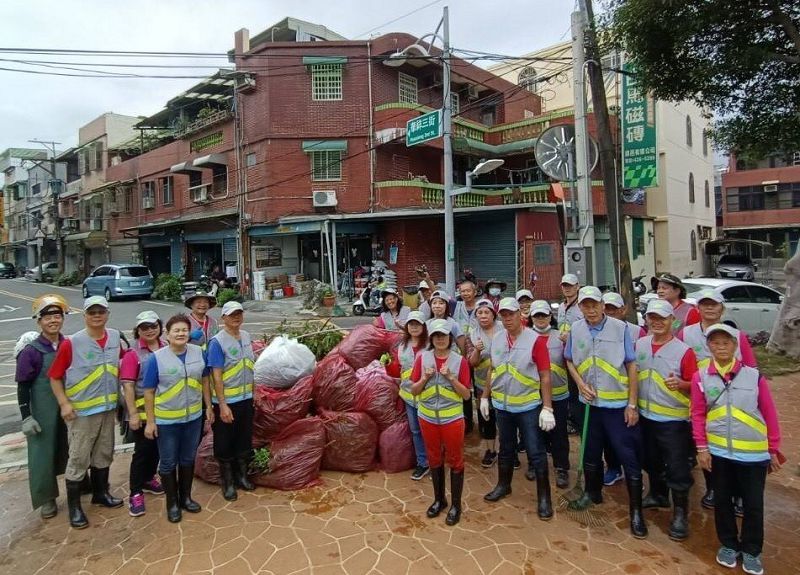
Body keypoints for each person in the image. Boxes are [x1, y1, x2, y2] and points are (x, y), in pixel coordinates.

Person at [691, 324, 782, 575]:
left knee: (753, 504)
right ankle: (729, 544)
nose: (721, 347)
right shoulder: (701, 376)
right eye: (715, 342)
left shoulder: (754, 376)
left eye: (726, 342)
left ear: (736, 345)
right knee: (722, 500)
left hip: (753, 454)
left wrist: (772, 448)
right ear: (708, 345)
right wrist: (701, 447)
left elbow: (769, 412)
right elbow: (698, 414)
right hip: (719, 452)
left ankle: (752, 550)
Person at [564, 286, 646, 538]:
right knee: (589, 451)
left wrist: (632, 404)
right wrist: (579, 383)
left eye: (594, 304)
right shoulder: (576, 329)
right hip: (589, 404)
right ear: (580, 307)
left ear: (602, 305)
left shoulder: (620, 329)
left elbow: (631, 366)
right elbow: (569, 359)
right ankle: (592, 492)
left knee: (627, 456)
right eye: (585, 305)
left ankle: (636, 512)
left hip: (616, 406)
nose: (590, 309)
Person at [677, 288, 757, 511]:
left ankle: (739, 493)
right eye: (704, 304)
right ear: (697, 308)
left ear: (722, 308)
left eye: (714, 304)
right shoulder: (686, 334)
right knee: (707, 445)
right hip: (702, 399)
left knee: (736, 447)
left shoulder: (737, 336)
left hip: (734, 400)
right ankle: (714, 487)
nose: (709, 308)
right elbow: (680, 362)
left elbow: (751, 367)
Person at [49, 295, 125, 529]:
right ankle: (74, 508)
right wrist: (64, 403)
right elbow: (54, 376)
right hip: (81, 412)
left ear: (107, 314)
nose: (97, 316)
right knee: (79, 457)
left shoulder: (114, 337)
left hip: (107, 407)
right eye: (92, 312)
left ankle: (101, 493)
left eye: (100, 311)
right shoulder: (71, 343)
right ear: (84, 316)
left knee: (104, 452)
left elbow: (123, 365)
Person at [482, 297, 555, 521]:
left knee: (535, 451)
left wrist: (547, 407)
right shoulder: (497, 340)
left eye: (511, 314)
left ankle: (544, 498)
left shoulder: (535, 340)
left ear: (520, 315)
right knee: (506, 449)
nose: (507, 318)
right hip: (503, 406)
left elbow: (545, 375)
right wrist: (485, 396)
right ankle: (504, 485)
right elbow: (493, 370)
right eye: (503, 315)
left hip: (527, 406)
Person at [636, 300, 698, 541]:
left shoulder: (684, 351)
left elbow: (697, 386)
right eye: (652, 317)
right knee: (650, 459)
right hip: (645, 415)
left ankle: (681, 512)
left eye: (662, 318)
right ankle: (658, 494)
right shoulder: (640, 344)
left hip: (673, 420)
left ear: (672, 320)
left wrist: (682, 384)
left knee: (677, 465)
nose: (656, 322)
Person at [143, 314, 212, 523]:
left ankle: (186, 498)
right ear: (167, 334)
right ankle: (172, 504)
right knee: (168, 462)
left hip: (193, 417)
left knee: (188, 459)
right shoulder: (156, 358)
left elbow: (205, 380)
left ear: (189, 332)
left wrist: (208, 406)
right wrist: (151, 421)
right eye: (176, 330)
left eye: (184, 330)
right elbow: (148, 391)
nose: (181, 334)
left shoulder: (198, 353)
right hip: (167, 421)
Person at [410, 319, 472, 526]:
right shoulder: (422, 358)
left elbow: (466, 395)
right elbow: (414, 390)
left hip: (452, 418)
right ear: (431, 338)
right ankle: (439, 500)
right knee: (434, 458)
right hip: (427, 417)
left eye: (443, 336)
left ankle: (456, 505)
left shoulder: (459, 361)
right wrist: (425, 378)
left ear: (450, 338)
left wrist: (452, 378)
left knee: (455, 459)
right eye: (436, 336)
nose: (440, 339)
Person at [15, 295, 70, 519]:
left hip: (68, 405)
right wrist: (26, 416)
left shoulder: (68, 344)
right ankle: (47, 498)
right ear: (39, 321)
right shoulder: (31, 351)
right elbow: (23, 386)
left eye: (57, 316)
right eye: (48, 317)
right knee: (42, 454)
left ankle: (82, 483)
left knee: (72, 447)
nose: (53, 321)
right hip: (42, 409)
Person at [207, 301, 256, 502]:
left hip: (246, 399)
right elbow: (216, 376)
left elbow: (249, 367)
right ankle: (227, 483)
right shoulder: (217, 342)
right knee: (225, 443)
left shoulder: (246, 336)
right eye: (232, 314)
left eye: (239, 314)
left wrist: (254, 392)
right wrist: (223, 404)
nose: (236, 317)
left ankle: (242, 477)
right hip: (226, 402)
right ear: (223, 318)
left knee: (243, 439)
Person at [119, 310, 166, 517]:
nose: (149, 330)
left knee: (157, 449)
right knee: (142, 452)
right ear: (138, 330)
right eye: (144, 327)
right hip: (142, 412)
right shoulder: (133, 354)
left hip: (164, 410)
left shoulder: (166, 347)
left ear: (159, 327)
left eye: (153, 326)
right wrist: (134, 415)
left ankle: (148, 479)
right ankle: (135, 492)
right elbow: (128, 386)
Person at [600, 291, 645, 486]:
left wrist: (633, 402)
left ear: (623, 310)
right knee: (609, 439)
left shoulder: (637, 332)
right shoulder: (598, 331)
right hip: (608, 394)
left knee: (629, 439)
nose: (610, 313)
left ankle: (634, 475)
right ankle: (613, 468)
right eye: (606, 309)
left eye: (613, 309)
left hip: (630, 393)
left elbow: (638, 363)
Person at [529, 300, 571, 489]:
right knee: (535, 432)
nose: (540, 319)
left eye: (544, 315)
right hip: (533, 394)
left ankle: (561, 467)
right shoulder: (527, 338)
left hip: (558, 394)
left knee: (559, 433)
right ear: (531, 318)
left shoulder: (560, 337)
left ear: (550, 317)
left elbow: (573, 361)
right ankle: (535, 464)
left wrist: (569, 343)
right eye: (537, 316)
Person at [386, 311, 430, 480]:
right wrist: (389, 366)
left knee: (431, 430)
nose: (414, 327)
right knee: (416, 431)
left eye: (417, 324)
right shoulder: (402, 346)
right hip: (409, 395)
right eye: (411, 324)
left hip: (428, 395)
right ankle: (423, 462)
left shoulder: (430, 345)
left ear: (423, 326)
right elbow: (399, 370)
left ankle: (436, 462)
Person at [467, 299, 503, 468]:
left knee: (505, 417)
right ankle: (491, 450)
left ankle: (509, 450)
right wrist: (477, 350)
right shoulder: (473, 334)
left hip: (505, 382)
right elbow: (472, 362)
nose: (483, 316)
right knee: (487, 417)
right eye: (479, 313)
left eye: (486, 312)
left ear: (493, 314)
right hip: (482, 384)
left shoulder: (504, 329)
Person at [557, 274, 585, 436]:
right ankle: (573, 420)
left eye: (570, 285)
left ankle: (580, 424)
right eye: (564, 285)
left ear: (577, 287)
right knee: (570, 389)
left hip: (579, 354)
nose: (567, 288)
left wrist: (573, 337)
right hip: (565, 353)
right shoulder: (561, 307)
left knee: (577, 389)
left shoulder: (581, 306)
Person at [454, 281, 480, 433]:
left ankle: (485, 421)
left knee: (480, 389)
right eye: (462, 291)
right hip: (461, 355)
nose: (465, 293)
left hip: (479, 354)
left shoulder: (482, 307)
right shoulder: (456, 307)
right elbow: (436, 296)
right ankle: (467, 422)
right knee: (464, 388)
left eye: (468, 291)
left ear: (474, 292)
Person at [425, 290, 466, 354]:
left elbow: (463, 348)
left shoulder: (453, 324)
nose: (437, 306)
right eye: (434, 303)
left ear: (446, 306)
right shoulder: (426, 324)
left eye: (441, 303)